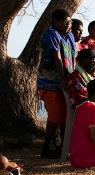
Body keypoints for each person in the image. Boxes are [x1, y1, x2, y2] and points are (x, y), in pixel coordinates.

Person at [37, 9, 76, 159]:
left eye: (70, 22)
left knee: (66, 114)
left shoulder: (70, 36)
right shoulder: (51, 33)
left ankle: (62, 145)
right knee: (55, 115)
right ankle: (48, 146)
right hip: (51, 81)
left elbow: (72, 57)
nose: (68, 25)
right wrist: (62, 78)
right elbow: (57, 57)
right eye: (65, 22)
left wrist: (72, 78)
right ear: (55, 22)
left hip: (67, 79)